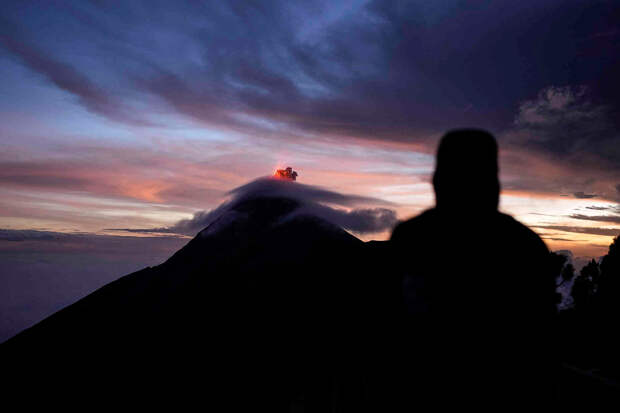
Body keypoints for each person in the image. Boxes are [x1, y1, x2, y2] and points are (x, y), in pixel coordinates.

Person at [390, 129, 556, 409]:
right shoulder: (525, 246)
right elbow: (541, 344)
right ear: (494, 180)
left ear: (437, 179)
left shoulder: (411, 238)